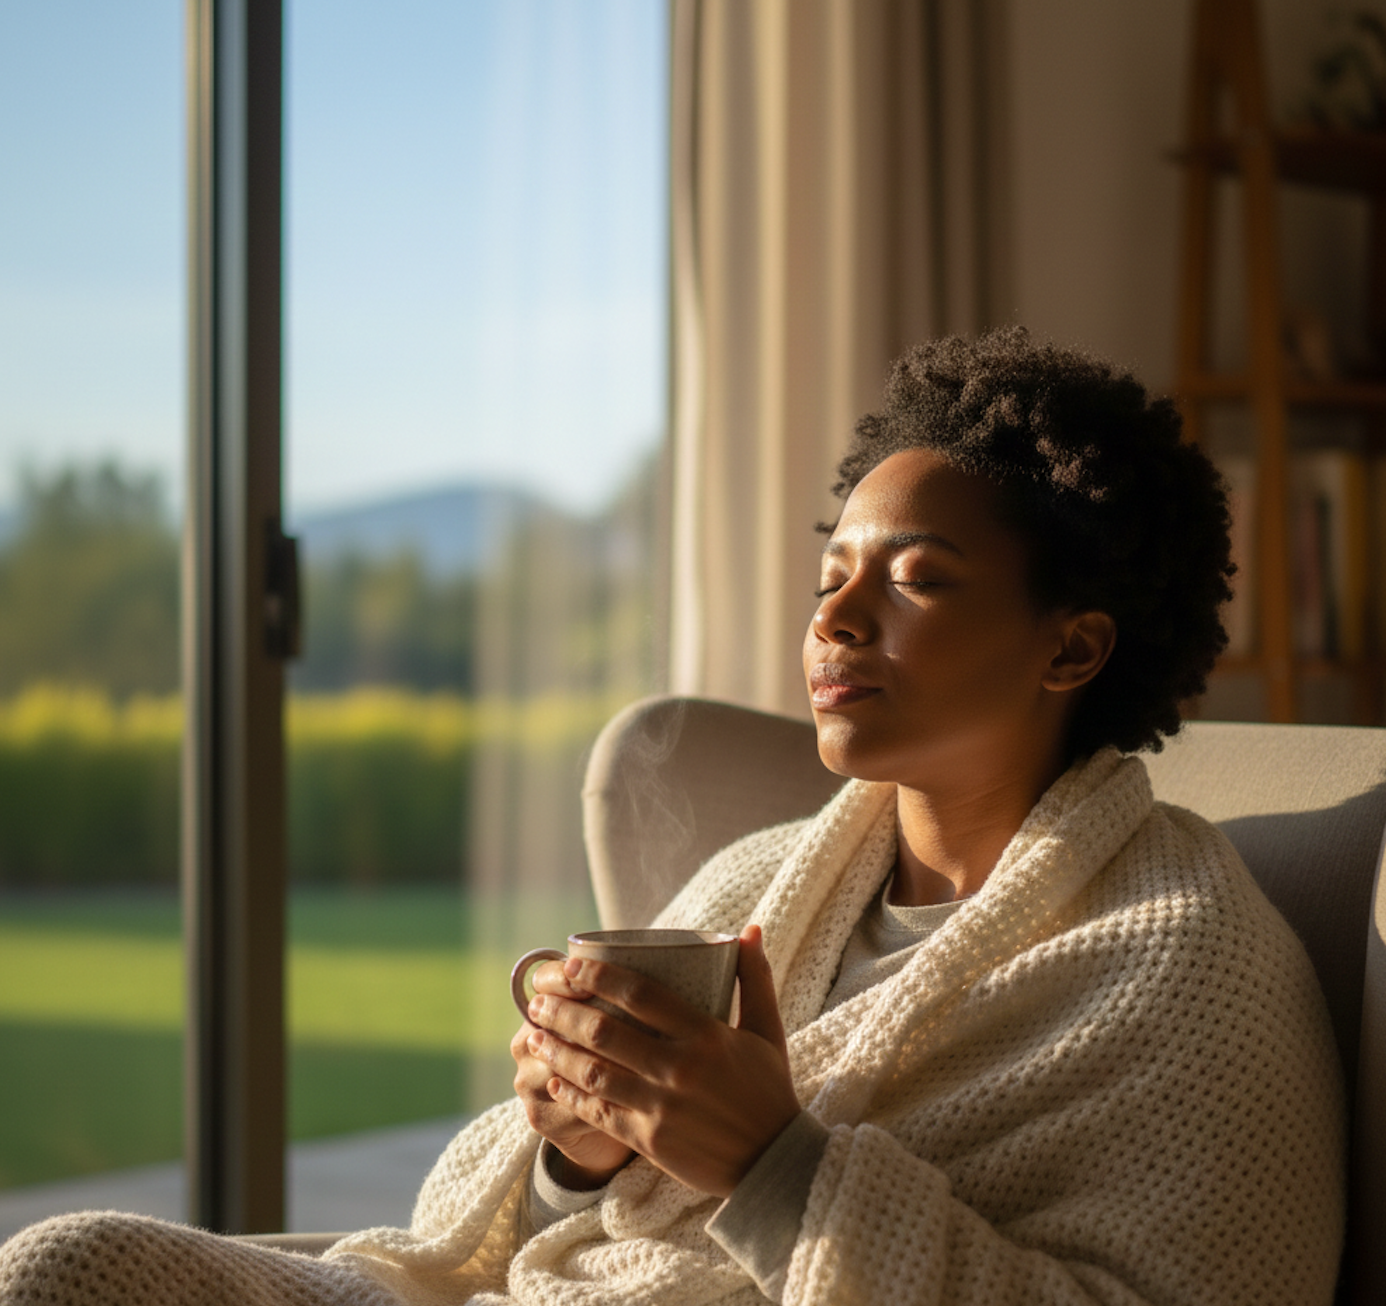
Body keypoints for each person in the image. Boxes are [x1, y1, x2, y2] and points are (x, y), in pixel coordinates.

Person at [0, 328, 1345, 1304]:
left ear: (1070, 650)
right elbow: (498, 1231)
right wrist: (573, 1152)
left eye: (916, 578)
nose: (833, 616)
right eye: (831, 573)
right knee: (66, 1264)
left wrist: (773, 1165)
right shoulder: (756, 879)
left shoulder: (1187, 964)